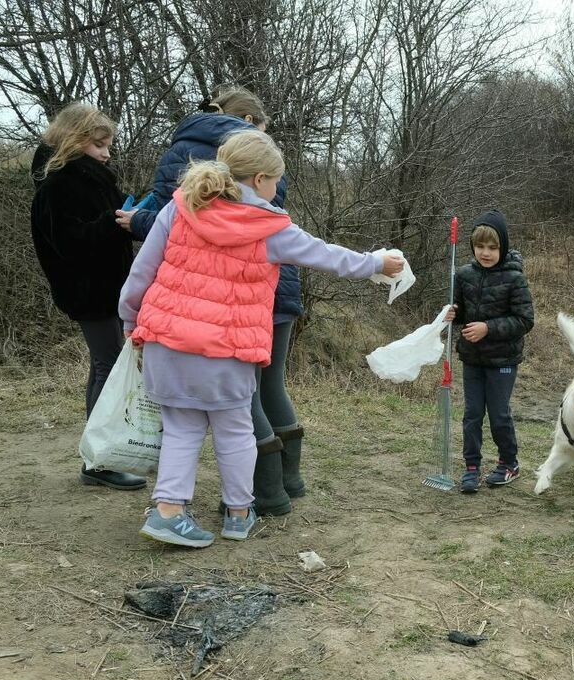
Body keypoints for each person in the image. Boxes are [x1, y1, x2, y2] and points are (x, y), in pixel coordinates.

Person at [118, 130, 405, 547]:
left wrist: (131, 318)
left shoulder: (180, 209)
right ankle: (238, 514)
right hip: (227, 351)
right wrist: (378, 262)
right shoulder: (268, 226)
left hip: (167, 341)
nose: (276, 191)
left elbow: (141, 272)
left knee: (180, 428)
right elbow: (329, 256)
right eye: (275, 182)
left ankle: (169, 512)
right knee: (234, 430)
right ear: (258, 180)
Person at [118, 86, 305, 517]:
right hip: (261, 292)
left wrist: (132, 312)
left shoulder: (181, 153)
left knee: (200, 420)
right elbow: (266, 224)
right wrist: (375, 263)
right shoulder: (257, 156)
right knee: (254, 398)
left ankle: (254, 496)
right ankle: (269, 495)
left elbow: (171, 223)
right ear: (250, 123)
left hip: (186, 312)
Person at [29, 102, 146, 491]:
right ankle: (97, 463)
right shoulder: (58, 185)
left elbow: (99, 228)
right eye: (100, 145)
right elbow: (70, 244)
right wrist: (114, 223)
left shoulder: (91, 177)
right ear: (76, 141)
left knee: (105, 365)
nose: (107, 153)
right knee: (107, 366)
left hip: (107, 285)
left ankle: (98, 458)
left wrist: (130, 218)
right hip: (88, 289)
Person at [445, 211, 534, 493]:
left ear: (502, 247)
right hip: (472, 358)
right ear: (473, 246)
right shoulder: (463, 274)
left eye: (493, 248)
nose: (486, 253)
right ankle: (471, 467)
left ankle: (509, 463)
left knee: (498, 414)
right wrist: (452, 313)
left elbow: (524, 320)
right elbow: (460, 312)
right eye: (480, 247)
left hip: (502, 359)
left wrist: (488, 328)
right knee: (472, 413)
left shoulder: (514, 278)